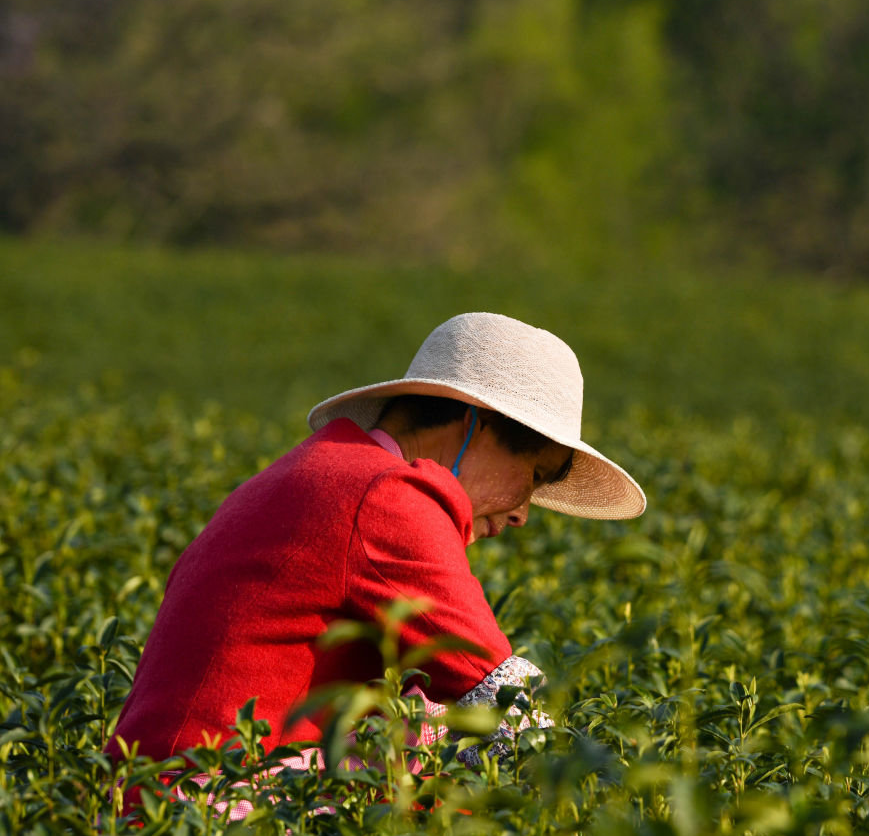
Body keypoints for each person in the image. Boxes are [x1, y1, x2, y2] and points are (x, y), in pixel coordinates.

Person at [106, 312, 646, 780]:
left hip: (155, 794)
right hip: (207, 816)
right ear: (476, 425)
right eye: (531, 475)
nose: (523, 511)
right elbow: (507, 705)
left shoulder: (326, 467)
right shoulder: (386, 496)